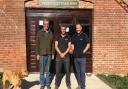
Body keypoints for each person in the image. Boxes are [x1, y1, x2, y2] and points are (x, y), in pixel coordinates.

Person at [36, 19, 54, 89]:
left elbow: (52, 44)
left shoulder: (50, 33)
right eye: (45, 24)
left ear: (48, 24)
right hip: (42, 55)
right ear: (43, 24)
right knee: (42, 71)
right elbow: (37, 44)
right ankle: (42, 84)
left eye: (47, 24)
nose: (46, 25)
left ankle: (48, 83)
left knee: (48, 71)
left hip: (49, 54)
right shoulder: (39, 32)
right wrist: (37, 54)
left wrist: (52, 53)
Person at [71, 23, 90, 89]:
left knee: (82, 72)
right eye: (76, 28)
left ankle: (83, 86)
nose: (77, 29)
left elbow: (88, 45)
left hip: (82, 58)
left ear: (81, 28)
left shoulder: (84, 35)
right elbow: (72, 45)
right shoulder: (74, 36)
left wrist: (83, 51)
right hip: (75, 57)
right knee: (78, 72)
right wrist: (72, 50)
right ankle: (79, 85)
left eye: (78, 27)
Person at [54, 25, 71, 89]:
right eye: (62, 29)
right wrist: (61, 53)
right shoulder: (57, 36)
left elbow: (69, 47)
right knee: (58, 71)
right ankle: (56, 84)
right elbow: (56, 46)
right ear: (60, 29)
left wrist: (64, 53)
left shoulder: (68, 36)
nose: (63, 30)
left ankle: (68, 84)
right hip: (59, 56)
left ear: (65, 29)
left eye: (64, 29)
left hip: (66, 57)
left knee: (67, 71)